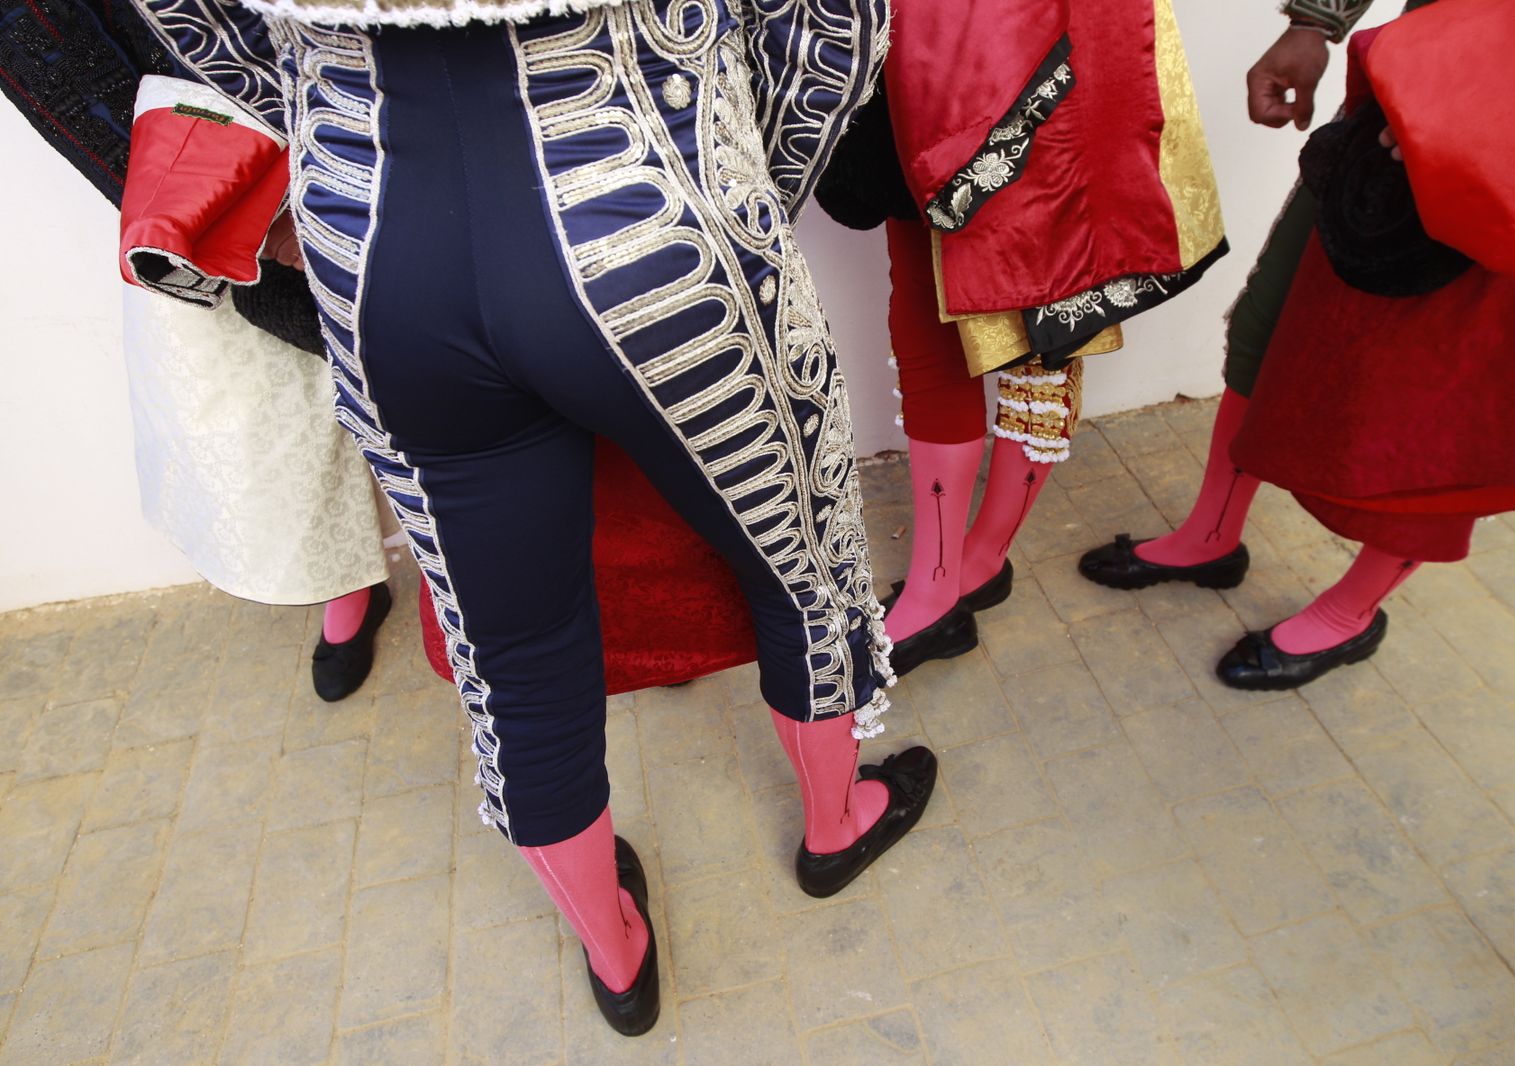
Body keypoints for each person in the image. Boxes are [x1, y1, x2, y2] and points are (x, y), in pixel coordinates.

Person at [127, 0, 932, 1036]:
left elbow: (197, 22)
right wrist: (733, 179)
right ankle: (835, 823)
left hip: (376, 235)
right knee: (798, 557)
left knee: (512, 648)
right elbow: (827, 21)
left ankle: (616, 953)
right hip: (643, 184)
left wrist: (331, 108)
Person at [1079, 0, 1515, 690]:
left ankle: (1352, 613)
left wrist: (1508, 119)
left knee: (1450, 415)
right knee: (1268, 327)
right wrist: (1316, 21)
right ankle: (1210, 536)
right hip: (1416, 93)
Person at [0, 0, 393, 702]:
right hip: (192, 153)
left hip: (340, 91)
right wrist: (192, 215)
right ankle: (350, 582)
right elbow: (47, 60)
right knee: (266, 413)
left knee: (441, 367)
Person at [819, 0, 1227, 674]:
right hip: (928, 31)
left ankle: (973, 564)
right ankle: (952, 573)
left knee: (1052, 304)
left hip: (1055, 34)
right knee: (933, 305)